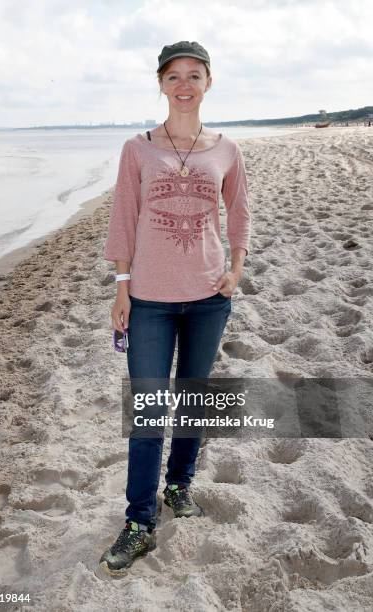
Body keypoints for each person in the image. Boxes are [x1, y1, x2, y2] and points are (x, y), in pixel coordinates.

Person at [96, 41, 251, 577]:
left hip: (210, 298)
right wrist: (122, 286)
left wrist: (235, 269)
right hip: (149, 301)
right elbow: (122, 217)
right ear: (161, 84)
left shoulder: (227, 149)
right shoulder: (137, 148)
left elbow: (239, 215)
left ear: (209, 82)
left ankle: (179, 486)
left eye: (194, 75)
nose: (184, 85)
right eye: (173, 76)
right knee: (147, 412)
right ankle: (139, 520)